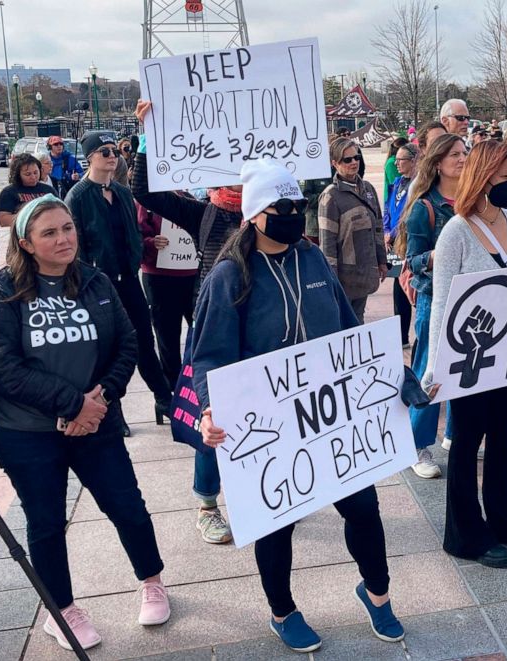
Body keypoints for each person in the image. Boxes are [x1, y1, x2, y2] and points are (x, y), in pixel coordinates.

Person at [193, 159, 404, 653]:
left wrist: (395, 371)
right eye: (279, 207)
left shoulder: (311, 259)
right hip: (270, 426)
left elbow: (347, 328)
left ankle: (378, 594)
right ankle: (282, 610)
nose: (291, 214)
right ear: (253, 214)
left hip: (331, 418)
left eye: (296, 206)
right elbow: (208, 354)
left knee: (365, 510)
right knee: (276, 526)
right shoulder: (229, 276)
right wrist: (209, 407)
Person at [0, 196, 169, 651]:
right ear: (25, 243)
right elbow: (0, 361)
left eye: (67, 228)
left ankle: (153, 581)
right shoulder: (5, 290)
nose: (63, 238)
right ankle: (60, 609)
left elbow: (127, 344)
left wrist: (100, 398)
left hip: (96, 423)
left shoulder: (96, 281)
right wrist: (70, 405)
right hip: (27, 433)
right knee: (45, 523)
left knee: (128, 507)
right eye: (49, 232)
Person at [422, 139, 507, 569]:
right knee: (467, 439)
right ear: (483, 177)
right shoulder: (455, 230)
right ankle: (465, 533)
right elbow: (441, 301)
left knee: (502, 435)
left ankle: (505, 518)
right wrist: (435, 365)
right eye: (505, 178)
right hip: (469, 355)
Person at [131, 98, 242, 545]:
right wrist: (146, 137)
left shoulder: (274, 212)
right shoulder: (206, 213)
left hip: (261, 328)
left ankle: (262, 490)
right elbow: (145, 191)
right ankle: (207, 501)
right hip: (214, 326)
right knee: (212, 419)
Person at [65, 131, 172, 433]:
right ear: (90, 158)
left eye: (114, 151)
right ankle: (114, 410)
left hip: (129, 279)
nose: (112, 156)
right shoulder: (78, 196)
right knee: (108, 350)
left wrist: (144, 246)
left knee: (143, 343)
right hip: (98, 284)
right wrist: (86, 278)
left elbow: (134, 232)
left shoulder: (123, 193)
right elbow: (77, 244)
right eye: (104, 152)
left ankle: (164, 398)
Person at [399, 133, 468, 477]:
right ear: (438, 162)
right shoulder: (424, 208)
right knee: (430, 368)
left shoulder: (473, 201)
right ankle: (416, 444)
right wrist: (440, 256)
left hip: (469, 299)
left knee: (465, 367)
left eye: (464, 152)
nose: (462, 158)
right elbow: (412, 260)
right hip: (434, 299)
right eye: (455, 154)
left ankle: (455, 434)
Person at [319, 138, 387, 322]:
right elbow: (327, 244)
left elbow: (378, 228)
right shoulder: (330, 196)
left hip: (365, 272)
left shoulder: (368, 189)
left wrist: (382, 261)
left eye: (356, 157)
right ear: (335, 163)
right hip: (344, 278)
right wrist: (332, 281)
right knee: (345, 324)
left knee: (359, 321)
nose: (354, 162)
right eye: (347, 159)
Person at [136, 198, 198, 392]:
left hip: (192, 274)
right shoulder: (145, 201)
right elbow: (133, 236)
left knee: (200, 332)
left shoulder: (192, 198)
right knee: (167, 337)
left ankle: (198, 385)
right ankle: (174, 390)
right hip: (159, 277)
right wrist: (151, 243)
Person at [383, 143, 419, 347]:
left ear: (413, 161)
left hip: (407, 240)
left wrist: (396, 232)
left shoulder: (419, 184)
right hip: (394, 242)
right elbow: (388, 208)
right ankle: (401, 336)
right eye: (396, 159)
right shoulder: (397, 182)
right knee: (397, 285)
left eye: (401, 160)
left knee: (409, 284)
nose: (396, 163)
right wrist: (387, 230)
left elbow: (410, 213)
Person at [0, 153, 55, 227]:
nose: (33, 177)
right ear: (18, 175)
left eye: (35, 172)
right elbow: (3, 220)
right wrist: (31, 217)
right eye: (28, 174)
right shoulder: (8, 192)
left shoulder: (48, 190)